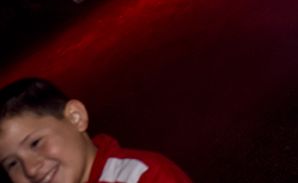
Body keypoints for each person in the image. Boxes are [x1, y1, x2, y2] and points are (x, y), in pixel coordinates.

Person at [0, 77, 191, 182]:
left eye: (35, 143)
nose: (31, 169)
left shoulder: (142, 176)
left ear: (76, 117)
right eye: (12, 163)